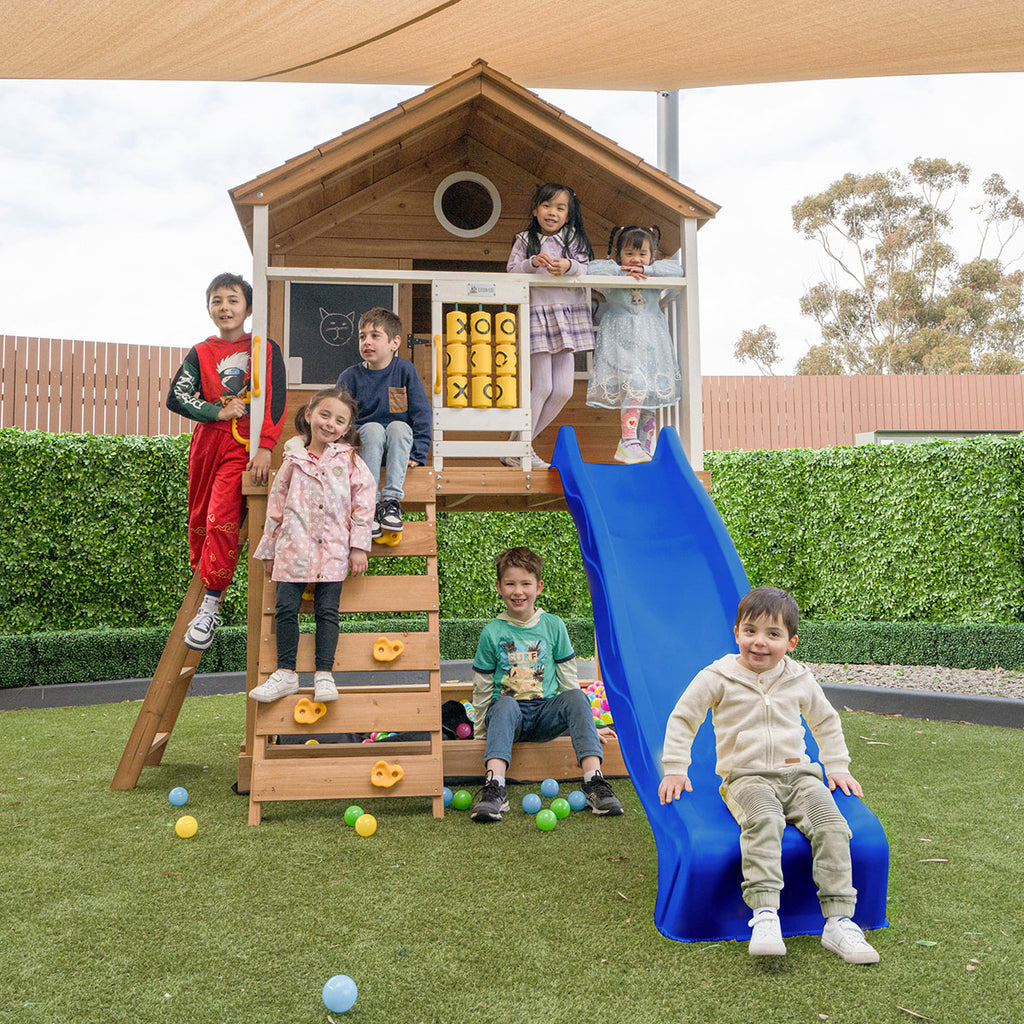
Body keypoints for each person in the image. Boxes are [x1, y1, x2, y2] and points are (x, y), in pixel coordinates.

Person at [658, 586, 880, 964]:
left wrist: (837, 765)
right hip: (747, 777)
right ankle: (765, 914)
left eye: (773, 635)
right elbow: (684, 718)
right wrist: (676, 767)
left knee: (832, 826)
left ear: (791, 642)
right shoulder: (718, 676)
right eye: (751, 631)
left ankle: (839, 922)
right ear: (736, 633)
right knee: (765, 821)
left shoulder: (799, 678)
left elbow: (826, 721)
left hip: (800, 775)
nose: (759, 642)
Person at [167, 272, 287, 651]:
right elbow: (176, 397)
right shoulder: (200, 352)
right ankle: (204, 595)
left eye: (233, 300)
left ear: (248, 308)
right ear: (208, 309)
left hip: (243, 448)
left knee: (221, 514)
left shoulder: (264, 348)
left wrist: (266, 445)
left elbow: (276, 399)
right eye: (217, 300)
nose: (225, 307)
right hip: (207, 446)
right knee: (200, 519)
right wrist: (215, 411)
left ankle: (211, 605)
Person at [470, 546, 622, 822]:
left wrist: (586, 727)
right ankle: (494, 787)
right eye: (510, 584)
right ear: (499, 587)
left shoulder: (553, 626)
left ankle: (594, 781)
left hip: (544, 713)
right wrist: (481, 730)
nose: (518, 591)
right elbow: (481, 684)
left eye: (525, 583)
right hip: (508, 716)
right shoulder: (492, 632)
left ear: (538, 587)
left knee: (577, 696)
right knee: (503, 703)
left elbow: (568, 678)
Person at [249, 388, 376, 703]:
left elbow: (364, 499)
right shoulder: (293, 459)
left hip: (333, 549)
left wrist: (358, 546)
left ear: (346, 428)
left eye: (339, 420)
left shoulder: (348, 460)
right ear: (309, 415)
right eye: (325, 415)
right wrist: (269, 550)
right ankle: (286, 674)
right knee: (286, 609)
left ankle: (324, 674)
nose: (330, 424)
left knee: (327, 611)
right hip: (293, 548)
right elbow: (276, 506)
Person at [505, 183, 594, 469]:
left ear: (568, 214)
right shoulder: (524, 239)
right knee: (542, 386)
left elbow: (587, 267)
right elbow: (510, 272)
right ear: (535, 210)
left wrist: (569, 267)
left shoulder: (574, 239)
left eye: (560, 208)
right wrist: (532, 263)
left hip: (567, 316)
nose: (552, 213)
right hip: (537, 314)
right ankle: (520, 447)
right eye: (546, 206)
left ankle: (516, 445)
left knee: (564, 390)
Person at [586, 225, 682, 464]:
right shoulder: (613, 275)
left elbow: (678, 270)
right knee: (636, 385)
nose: (635, 259)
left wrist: (647, 269)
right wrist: (620, 270)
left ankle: (644, 450)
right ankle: (627, 441)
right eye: (629, 253)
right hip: (620, 342)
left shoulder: (654, 274)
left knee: (648, 392)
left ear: (652, 257)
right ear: (619, 255)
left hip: (651, 341)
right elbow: (591, 269)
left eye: (642, 254)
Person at [336, 307, 431, 538]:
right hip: (364, 449)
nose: (366, 342)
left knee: (399, 426)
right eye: (362, 336)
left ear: (394, 343)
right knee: (374, 428)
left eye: (374, 335)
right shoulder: (349, 377)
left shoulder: (405, 370)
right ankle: (369, 502)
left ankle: (390, 502)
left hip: (398, 451)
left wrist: (419, 452)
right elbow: (338, 417)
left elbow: (422, 412)